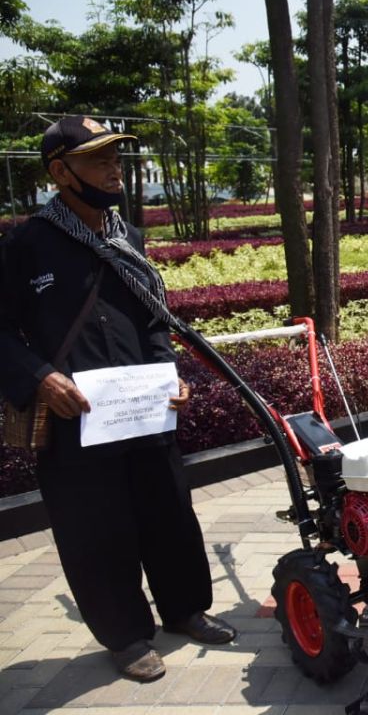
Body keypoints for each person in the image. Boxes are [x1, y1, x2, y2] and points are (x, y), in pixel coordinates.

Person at [0, 116, 236, 683]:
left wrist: (170, 374)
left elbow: (152, 317)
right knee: (96, 529)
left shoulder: (125, 236)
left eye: (116, 158)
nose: (115, 170)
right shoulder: (25, 244)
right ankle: (126, 636)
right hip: (75, 419)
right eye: (100, 159)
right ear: (60, 171)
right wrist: (39, 378)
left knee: (169, 512)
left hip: (143, 407)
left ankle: (184, 609)